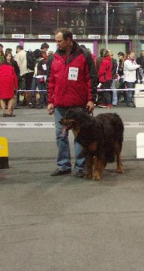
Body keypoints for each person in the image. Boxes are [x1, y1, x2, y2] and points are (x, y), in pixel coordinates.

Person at [47, 28, 97, 177]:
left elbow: (91, 79)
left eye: (59, 41)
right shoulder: (53, 57)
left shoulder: (84, 55)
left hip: (79, 105)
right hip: (60, 104)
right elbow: (51, 81)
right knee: (60, 136)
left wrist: (91, 99)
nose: (57, 44)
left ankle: (81, 167)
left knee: (80, 136)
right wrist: (50, 101)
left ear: (69, 40)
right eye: (56, 41)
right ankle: (63, 166)